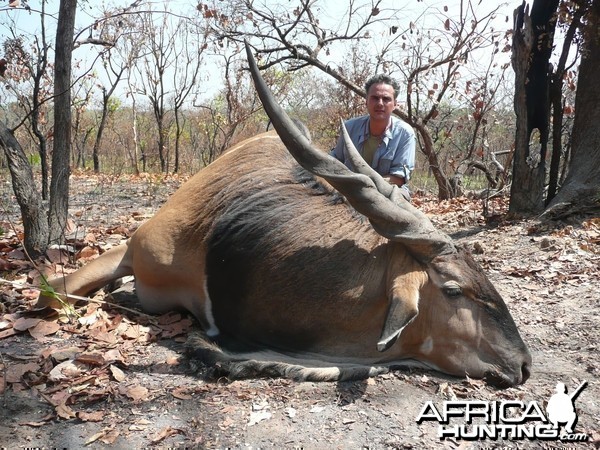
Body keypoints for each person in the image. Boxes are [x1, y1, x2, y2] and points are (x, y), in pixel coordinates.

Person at [331, 74, 416, 200]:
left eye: (386, 99)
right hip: (348, 189)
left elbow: (399, 178)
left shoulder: (405, 133)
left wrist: (365, 186)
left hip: (385, 192)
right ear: (366, 101)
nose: (380, 103)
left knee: (400, 199)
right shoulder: (349, 127)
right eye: (375, 98)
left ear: (395, 104)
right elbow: (335, 161)